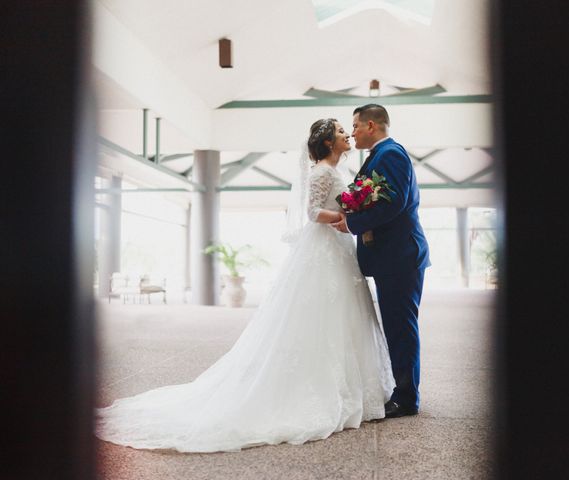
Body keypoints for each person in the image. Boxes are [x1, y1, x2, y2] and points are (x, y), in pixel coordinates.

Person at [95, 119, 394, 453]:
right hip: (324, 248)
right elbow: (311, 213)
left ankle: (351, 388)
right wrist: (343, 219)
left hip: (339, 249)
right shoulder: (322, 172)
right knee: (318, 315)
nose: (346, 135)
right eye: (340, 132)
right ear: (327, 144)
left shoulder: (339, 171)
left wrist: (351, 213)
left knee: (344, 315)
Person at [332, 104, 430, 418]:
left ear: (371, 125)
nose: (352, 132)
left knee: (401, 328)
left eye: (356, 126)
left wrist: (352, 224)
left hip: (400, 256)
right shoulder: (381, 155)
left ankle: (406, 398)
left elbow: (395, 202)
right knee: (397, 326)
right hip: (393, 256)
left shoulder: (390, 154)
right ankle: (403, 391)